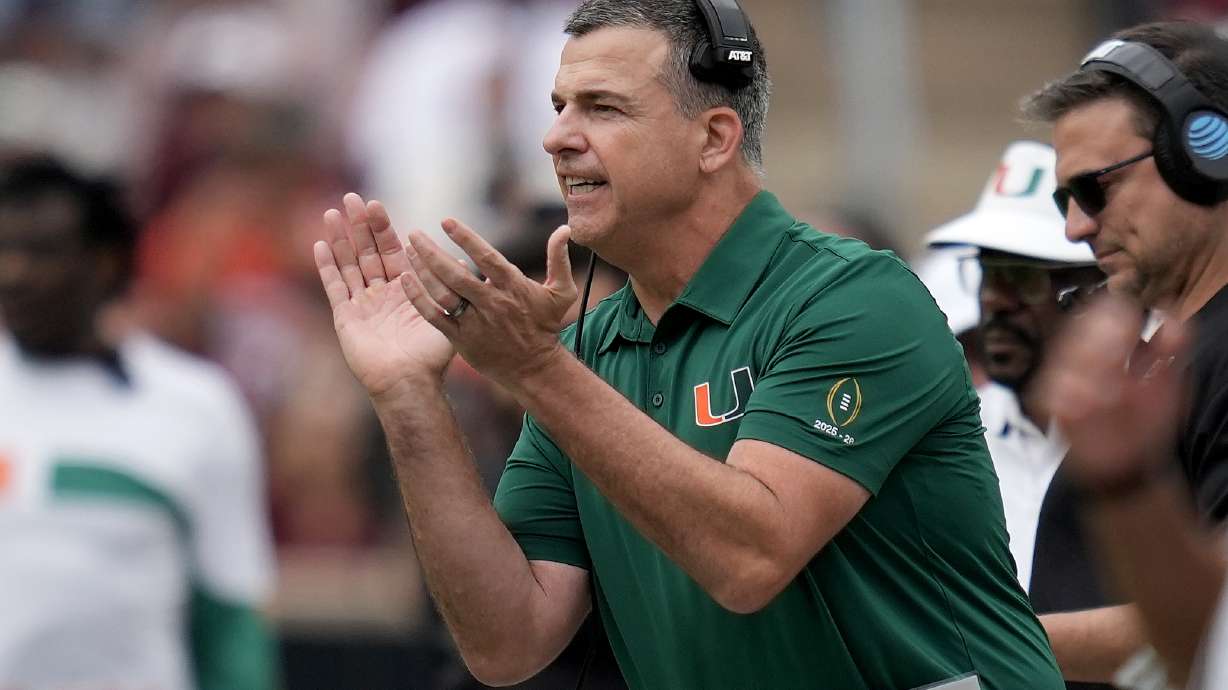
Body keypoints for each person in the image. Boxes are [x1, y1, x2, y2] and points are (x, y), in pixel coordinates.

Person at [315, 1, 1063, 688]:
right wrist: (409, 394)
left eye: (602, 108)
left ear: (713, 138)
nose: (555, 138)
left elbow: (750, 559)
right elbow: (508, 642)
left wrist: (536, 369)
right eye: (558, 107)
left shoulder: (856, 297)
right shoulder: (587, 351)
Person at [0, 156, 277, 690]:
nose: (14, 273)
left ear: (103, 263)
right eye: (4, 251)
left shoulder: (199, 406)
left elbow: (230, 613)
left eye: (41, 253)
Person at [1020, 20, 1228, 688]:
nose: (1074, 226)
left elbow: (1221, 622)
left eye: (1093, 188)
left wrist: (978, 637)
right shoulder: (1177, 350)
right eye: (1063, 199)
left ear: (1205, 153)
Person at [928, 141, 1122, 690]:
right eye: (987, 274)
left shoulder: (1153, 431)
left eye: (1022, 276)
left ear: (1096, 289)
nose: (994, 300)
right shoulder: (946, 439)